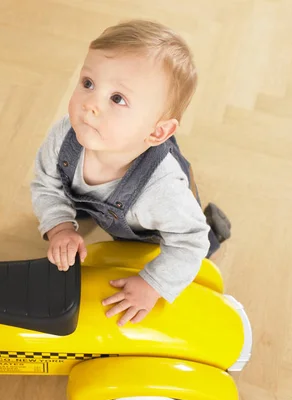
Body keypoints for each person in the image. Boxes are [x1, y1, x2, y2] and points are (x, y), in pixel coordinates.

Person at [30, 19, 231, 326]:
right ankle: (82, 209)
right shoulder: (65, 137)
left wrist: (153, 284)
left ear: (157, 131)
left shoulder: (164, 193)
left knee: (190, 244)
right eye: (88, 83)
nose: (90, 105)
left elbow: (190, 241)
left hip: (149, 228)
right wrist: (59, 227)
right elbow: (47, 184)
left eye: (117, 99)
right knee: (68, 196)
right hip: (105, 206)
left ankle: (214, 232)